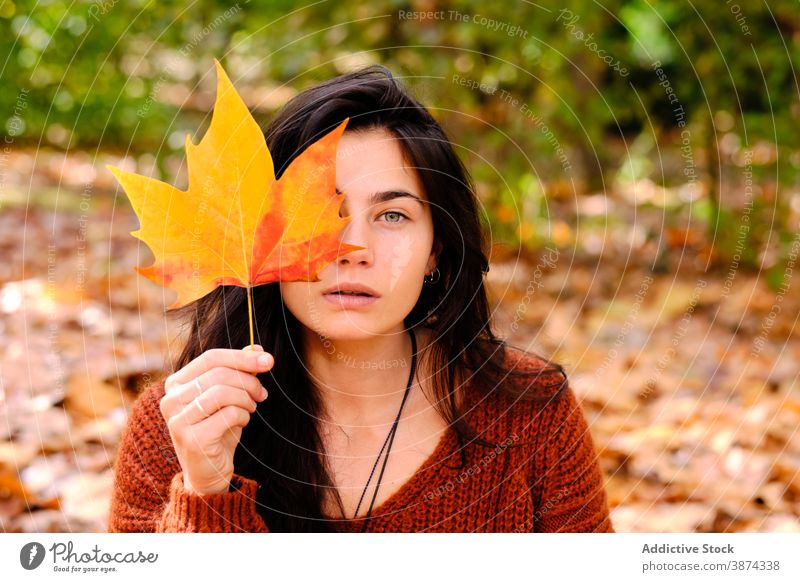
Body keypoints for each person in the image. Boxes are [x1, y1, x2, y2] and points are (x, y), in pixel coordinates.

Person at [108, 64, 614, 533]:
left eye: (392, 215)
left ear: (436, 249)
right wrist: (207, 492)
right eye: (323, 213)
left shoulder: (529, 414)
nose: (352, 249)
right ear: (261, 235)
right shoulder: (179, 424)